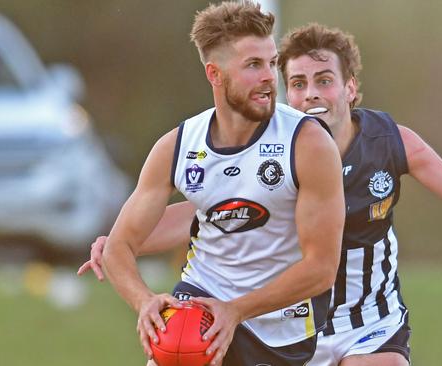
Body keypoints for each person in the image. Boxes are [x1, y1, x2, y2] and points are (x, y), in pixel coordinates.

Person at [80, 23, 442, 366]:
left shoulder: (389, 142)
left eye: (324, 81)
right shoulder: (273, 147)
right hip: (283, 319)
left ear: (351, 89)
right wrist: (124, 243)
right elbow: (201, 213)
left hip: (368, 320)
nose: (311, 94)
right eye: (297, 83)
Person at [95, 3, 345, 366]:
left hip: (281, 327)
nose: (268, 78)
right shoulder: (177, 147)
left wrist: (236, 311)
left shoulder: (308, 144)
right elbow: (119, 247)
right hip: (199, 304)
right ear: (215, 74)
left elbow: (322, 268)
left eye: (272, 63)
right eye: (253, 65)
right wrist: (144, 301)